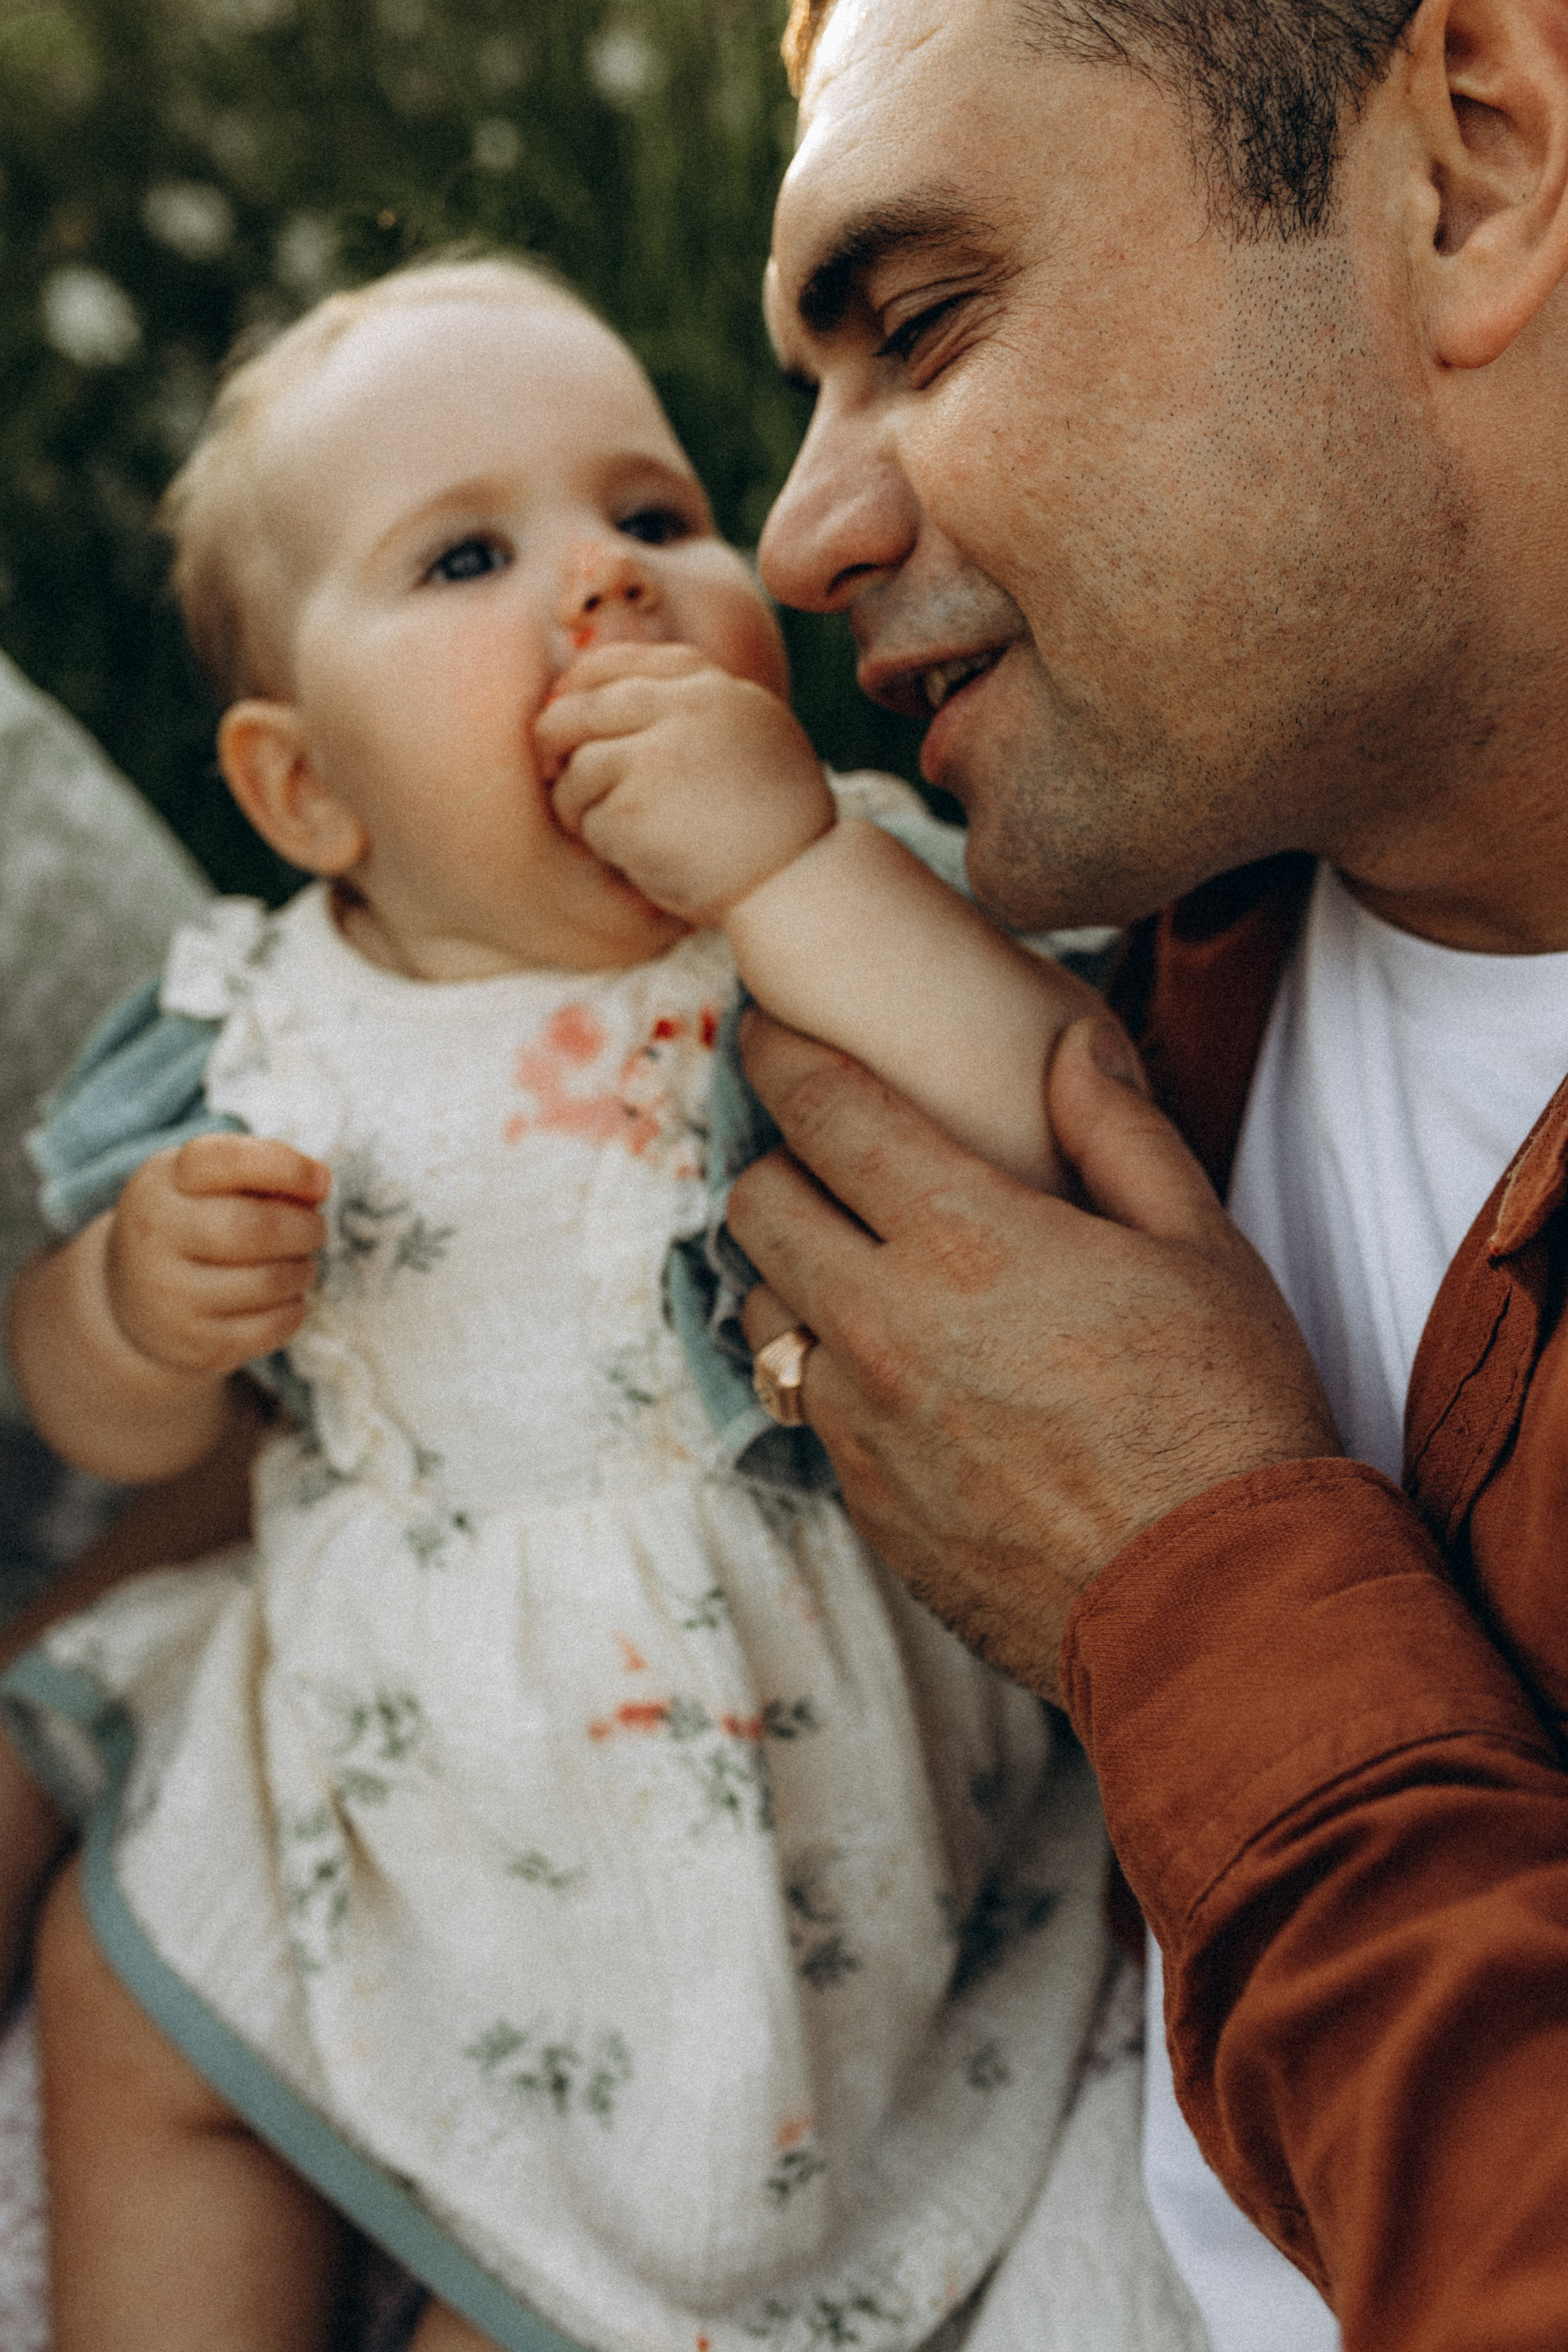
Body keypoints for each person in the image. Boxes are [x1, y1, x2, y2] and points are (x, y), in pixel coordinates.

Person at [0, 254, 1145, 2352]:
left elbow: (1057, 1127)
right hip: (370, 1779)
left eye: (652, 513)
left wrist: (785, 869)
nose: (605, 586)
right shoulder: (248, 1038)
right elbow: (102, 1432)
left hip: (753, 1841)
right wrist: (131, 1311)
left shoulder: (829, 904)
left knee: (627, 2262)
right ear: (304, 797)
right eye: (466, 555)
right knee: (135, 2003)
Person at [722, 1, 1568, 2348]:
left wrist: (1182, 1577)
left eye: (920, 323)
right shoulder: (1150, 955)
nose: (797, 530)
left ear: (1471, 166)